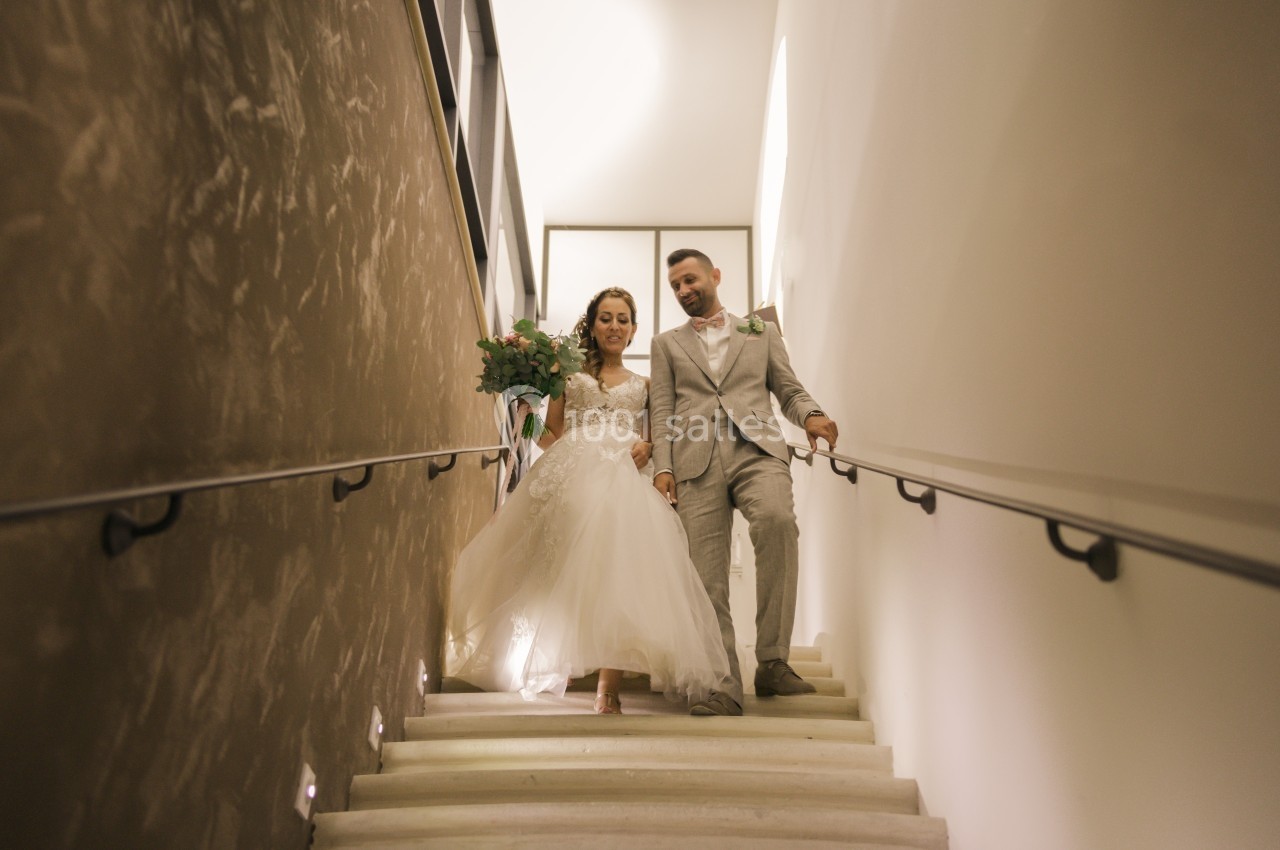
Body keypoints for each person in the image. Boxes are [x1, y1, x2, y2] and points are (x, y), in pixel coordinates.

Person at [446, 287, 730, 714]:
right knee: (570, 575)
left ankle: (608, 688)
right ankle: (560, 660)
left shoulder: (648, 385)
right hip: (571, 475)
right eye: (605, 318)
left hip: (624, 480)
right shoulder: (567, 376)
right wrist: (525, 407)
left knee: (617, 571)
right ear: (592, 326)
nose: (614, 326)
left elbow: (660, 435)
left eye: (622, 319)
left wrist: (649, 448)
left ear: (633, 331)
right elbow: (548, 436)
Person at [650, 248, 839, 717]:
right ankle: (723, 684)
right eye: (675, 286)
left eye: (690, 280)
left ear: (715, 275)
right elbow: (661, 410)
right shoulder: (666, 344)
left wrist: (811, 415)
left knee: (777, 524)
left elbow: (788, 388)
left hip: (759, 450)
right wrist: (663, 467)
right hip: (695, 460)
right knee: (706, 576)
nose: (683, 291)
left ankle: (773, 662)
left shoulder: (762, 332)